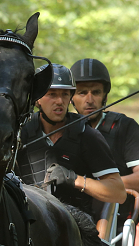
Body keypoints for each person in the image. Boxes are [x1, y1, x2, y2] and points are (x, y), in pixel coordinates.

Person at [14, 63, 126, 220]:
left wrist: (74, 179)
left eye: (65, 94)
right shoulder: (19, 132)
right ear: (37, 99)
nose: (59, 101)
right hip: (27, 217)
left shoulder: (87, 135)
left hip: (74, 223)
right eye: (52, 94)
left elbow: (118, 193)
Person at [70, 58, 139, 229]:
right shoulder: (61, 128)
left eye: (95, 92)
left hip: (114, 225)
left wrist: (96, 186)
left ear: (105, 96)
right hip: (71, 222)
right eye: (82, 93)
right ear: (71, 97)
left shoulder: (124, 127)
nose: (89, 99)